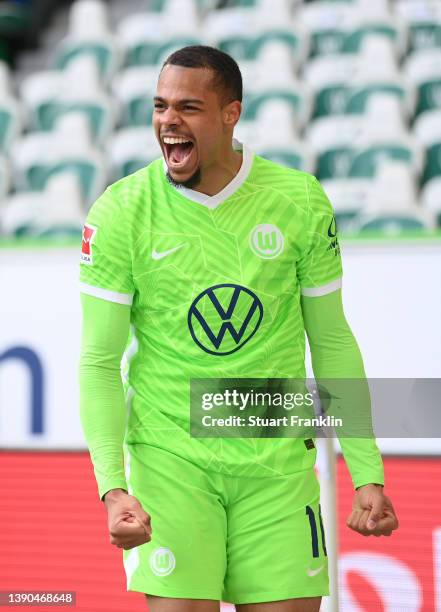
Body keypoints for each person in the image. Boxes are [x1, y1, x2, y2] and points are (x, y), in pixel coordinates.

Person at [78, 45, 399, 612]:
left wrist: (366, 471)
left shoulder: (298, 198)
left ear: (231, 114)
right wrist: (113, 487)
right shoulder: (120, 211)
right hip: (171, 460)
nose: (167, 121)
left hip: (276, 463)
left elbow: (330, 341)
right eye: (159, 107)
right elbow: (99, 361)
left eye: (188, 107)